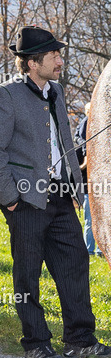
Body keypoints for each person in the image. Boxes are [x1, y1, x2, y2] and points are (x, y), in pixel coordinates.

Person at [0, 25, 111, 358]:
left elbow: (64, 142)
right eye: (53, 55)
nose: (59, 60)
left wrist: (76, 189)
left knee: (75, 264)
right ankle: (36, 343)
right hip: (26, 201)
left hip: (61, 196)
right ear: (32, 62)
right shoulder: (5, 95)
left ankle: (80, 340)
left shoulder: (57, 91)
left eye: (58, 54)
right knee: (27, 273)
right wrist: (10, 199)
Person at [76, 103, 99, 255]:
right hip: (88, 185)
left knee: (99, 220)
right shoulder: (86, 123)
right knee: (90, 220)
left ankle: (99, 250)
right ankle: (89, 250)